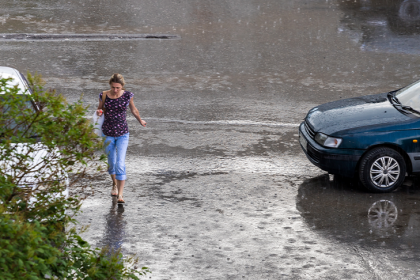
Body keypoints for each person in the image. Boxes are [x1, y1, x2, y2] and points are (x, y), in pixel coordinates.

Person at [96, 73, 146, 203]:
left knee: (120, 163)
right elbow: (99, 109)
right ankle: (114, 184)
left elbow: (134, 110)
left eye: (118, 87)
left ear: (122, 86)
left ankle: (120, 195)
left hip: (123, 133)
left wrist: (140, 120)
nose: (115, 90)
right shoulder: (104, 95)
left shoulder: (128, 95)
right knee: (111, 163)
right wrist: (98, 112)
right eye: (113, 87)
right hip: (107, 133)